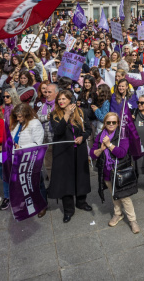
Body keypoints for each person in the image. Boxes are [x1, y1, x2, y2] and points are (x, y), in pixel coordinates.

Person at [47, 89, 93, 223]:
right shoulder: (54, 114)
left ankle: (81, 202)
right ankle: (68, 210)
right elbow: (58, 131)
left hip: (79, 151)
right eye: (59, 99)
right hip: (63, 153)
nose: (61, 101)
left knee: (80, 177)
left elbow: (88, 130)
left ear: (70, 100)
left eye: (64, 99)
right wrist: (66, 114)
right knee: (65, 181)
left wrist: (82, 137)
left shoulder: (81, 112)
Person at [90, 112, 140, 234]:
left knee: (125, 197)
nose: (111, 124)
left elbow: (122, 153)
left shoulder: (123, 135)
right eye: (108, 122)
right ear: (105, 123)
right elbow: (92, 154)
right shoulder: (101, 135)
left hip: (120, 170)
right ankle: (118, 214)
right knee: (114, 194)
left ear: (118, 123)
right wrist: (101, 149)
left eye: (114, 122)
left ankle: (133, 220)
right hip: (106, 170)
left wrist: (109, 145)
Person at [8, 102, 47, 217]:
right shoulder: (17, 124)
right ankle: (32, 203)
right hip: (19, 158)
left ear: (27, 114)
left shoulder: (35, 123)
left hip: (32, 159)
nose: (18, 118)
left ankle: (42, 205)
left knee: (38, 183)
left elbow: (37, 143)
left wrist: (22, 148)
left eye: (20, 116)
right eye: (16, 116)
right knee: (26, 183)